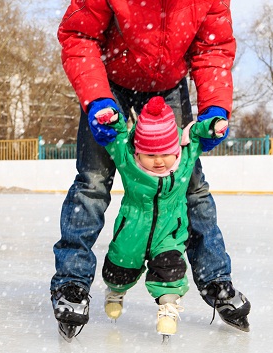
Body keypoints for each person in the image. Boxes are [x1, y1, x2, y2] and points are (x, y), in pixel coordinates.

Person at [50, 0, 251, 341]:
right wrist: (97, 98)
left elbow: (213, 47)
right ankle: (72, 284)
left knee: (189, 185)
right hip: (108, 83)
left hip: (168, 86)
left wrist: (215, 106)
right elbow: (79, 34)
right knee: (92, 182)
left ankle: (216, 278)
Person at [98, 96, 228, 337]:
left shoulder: (185, 158)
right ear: (138, 152)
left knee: (171, 269)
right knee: (120, 266)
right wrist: (112, 118)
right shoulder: (128, 160)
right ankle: (115, 291)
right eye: (150, 155)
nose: (158, 161)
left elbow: (197, 134)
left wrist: (214, 125)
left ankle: (168, 307)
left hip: (170, 230)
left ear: (176, 149)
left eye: (165, 153)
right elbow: (117, 137)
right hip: (132, 229)